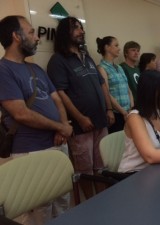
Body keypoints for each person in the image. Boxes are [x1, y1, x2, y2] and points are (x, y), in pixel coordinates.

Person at [0, 15, 73, 225]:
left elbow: (58, 100)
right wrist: (60, 126)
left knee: (62, 204)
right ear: (16, 36)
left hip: (58, 144)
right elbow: (21, 113)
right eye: (31, 32)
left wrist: (62, 129)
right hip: (31, 150)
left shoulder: (36, 69)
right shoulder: (3, 70)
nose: (37, 38)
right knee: (38, 212)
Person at [47, 17, 114, 199]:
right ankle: (92, 203)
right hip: (81, 126)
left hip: (101, 121)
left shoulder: (87, 56)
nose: (81, 31)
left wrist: (108, 109)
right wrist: (79, 118)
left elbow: (102, 85)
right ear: (64, 33)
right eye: (76, 28)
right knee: (85, 170)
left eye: (81, 27)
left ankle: (103, 200)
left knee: (101, 167)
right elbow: (60, 93)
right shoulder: (58, 60)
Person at [96, 36, 134, 133]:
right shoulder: (102, 68)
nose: (119, 48)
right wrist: (123, 112)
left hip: (128, 112)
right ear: (107, 47)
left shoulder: (119, 67)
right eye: (116, 45)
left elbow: (128, 89)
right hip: (117, 114)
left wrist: (131, 108)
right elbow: (107, 93)